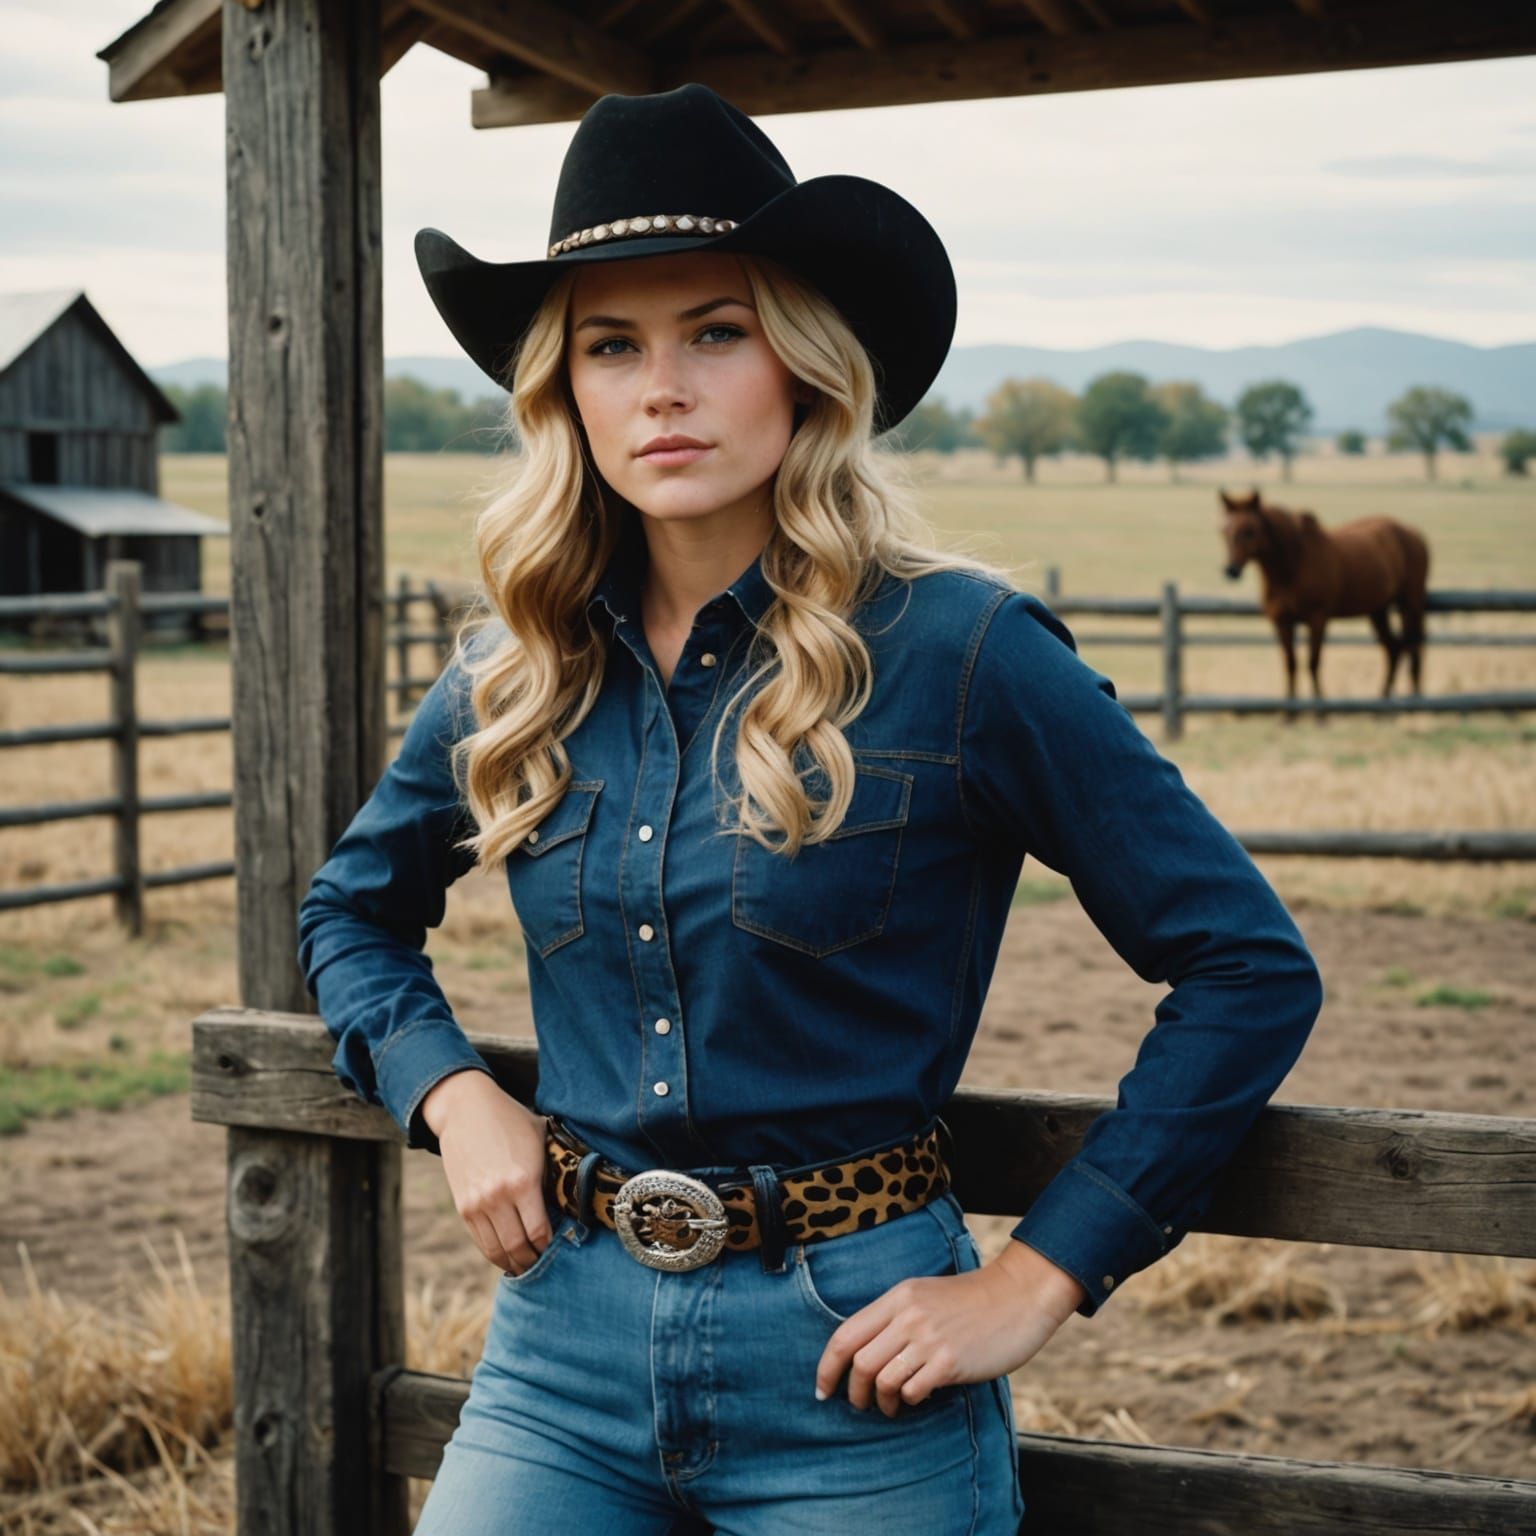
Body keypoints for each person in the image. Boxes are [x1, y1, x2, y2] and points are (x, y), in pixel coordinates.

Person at [296, 82, 1325, 1535]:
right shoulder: (514, 674)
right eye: (612, 345)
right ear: (564, 390)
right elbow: (349, 911)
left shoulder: (964, 654)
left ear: (806, 364)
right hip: (557, 1357)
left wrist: (1041, 1274)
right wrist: (452, 1096)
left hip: (857, 1370)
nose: (663, 387)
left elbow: (1245, 965)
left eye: (717, 331)